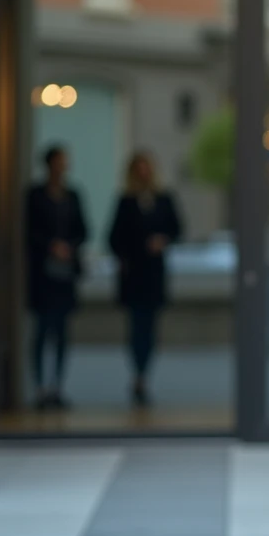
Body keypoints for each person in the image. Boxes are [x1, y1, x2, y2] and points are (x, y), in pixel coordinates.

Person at [108, 152, 183, 407]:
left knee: (150, 328)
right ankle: (138, 374)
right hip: (134, 274)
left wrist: (162, 241)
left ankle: (144, 374)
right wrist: (135, 248)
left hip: (154, 274)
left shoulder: (164, 199)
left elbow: (177, 229)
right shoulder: (125, 202)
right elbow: (114, 238)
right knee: (136, 327)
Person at [25, 145, 89, 411]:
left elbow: (83, 229)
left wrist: (69, 247)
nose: (63, 167)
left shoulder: (73, 196)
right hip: (43, 274)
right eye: (60, 162)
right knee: (42, 331)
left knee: (62, 332)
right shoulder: (35, 196)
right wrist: (51, 245)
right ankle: (40, 387)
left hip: (65, 275)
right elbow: (28, 231)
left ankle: (57, 386)